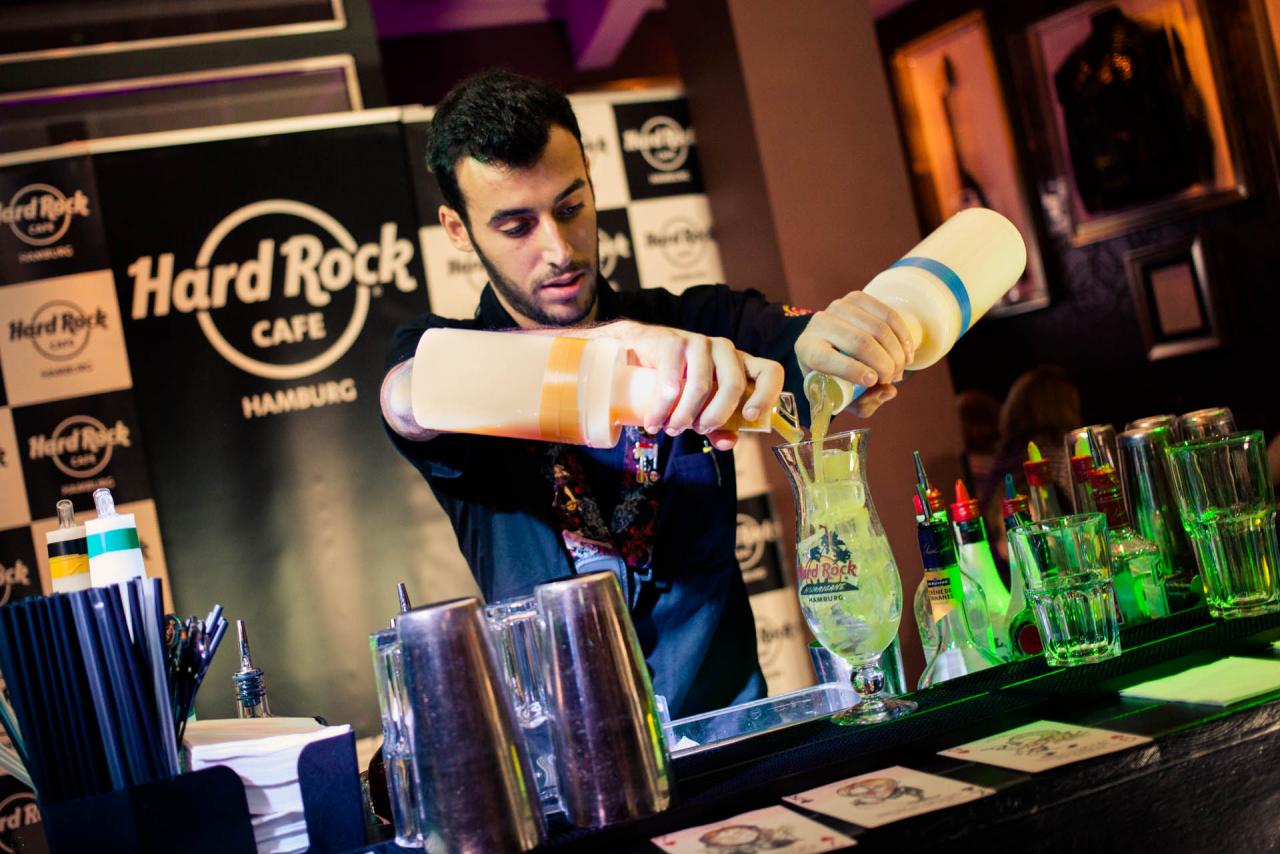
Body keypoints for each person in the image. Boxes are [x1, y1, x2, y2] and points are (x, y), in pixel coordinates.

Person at [380, 70, 913, 718]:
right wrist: (607, 353)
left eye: (570, 208)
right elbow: (406, 398)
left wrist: (856, 341)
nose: (558, 249)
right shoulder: (444, 355)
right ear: (458, 229)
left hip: (726, 732)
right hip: (564, 750)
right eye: (516, 227)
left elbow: (816, 347)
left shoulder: (698, 323)